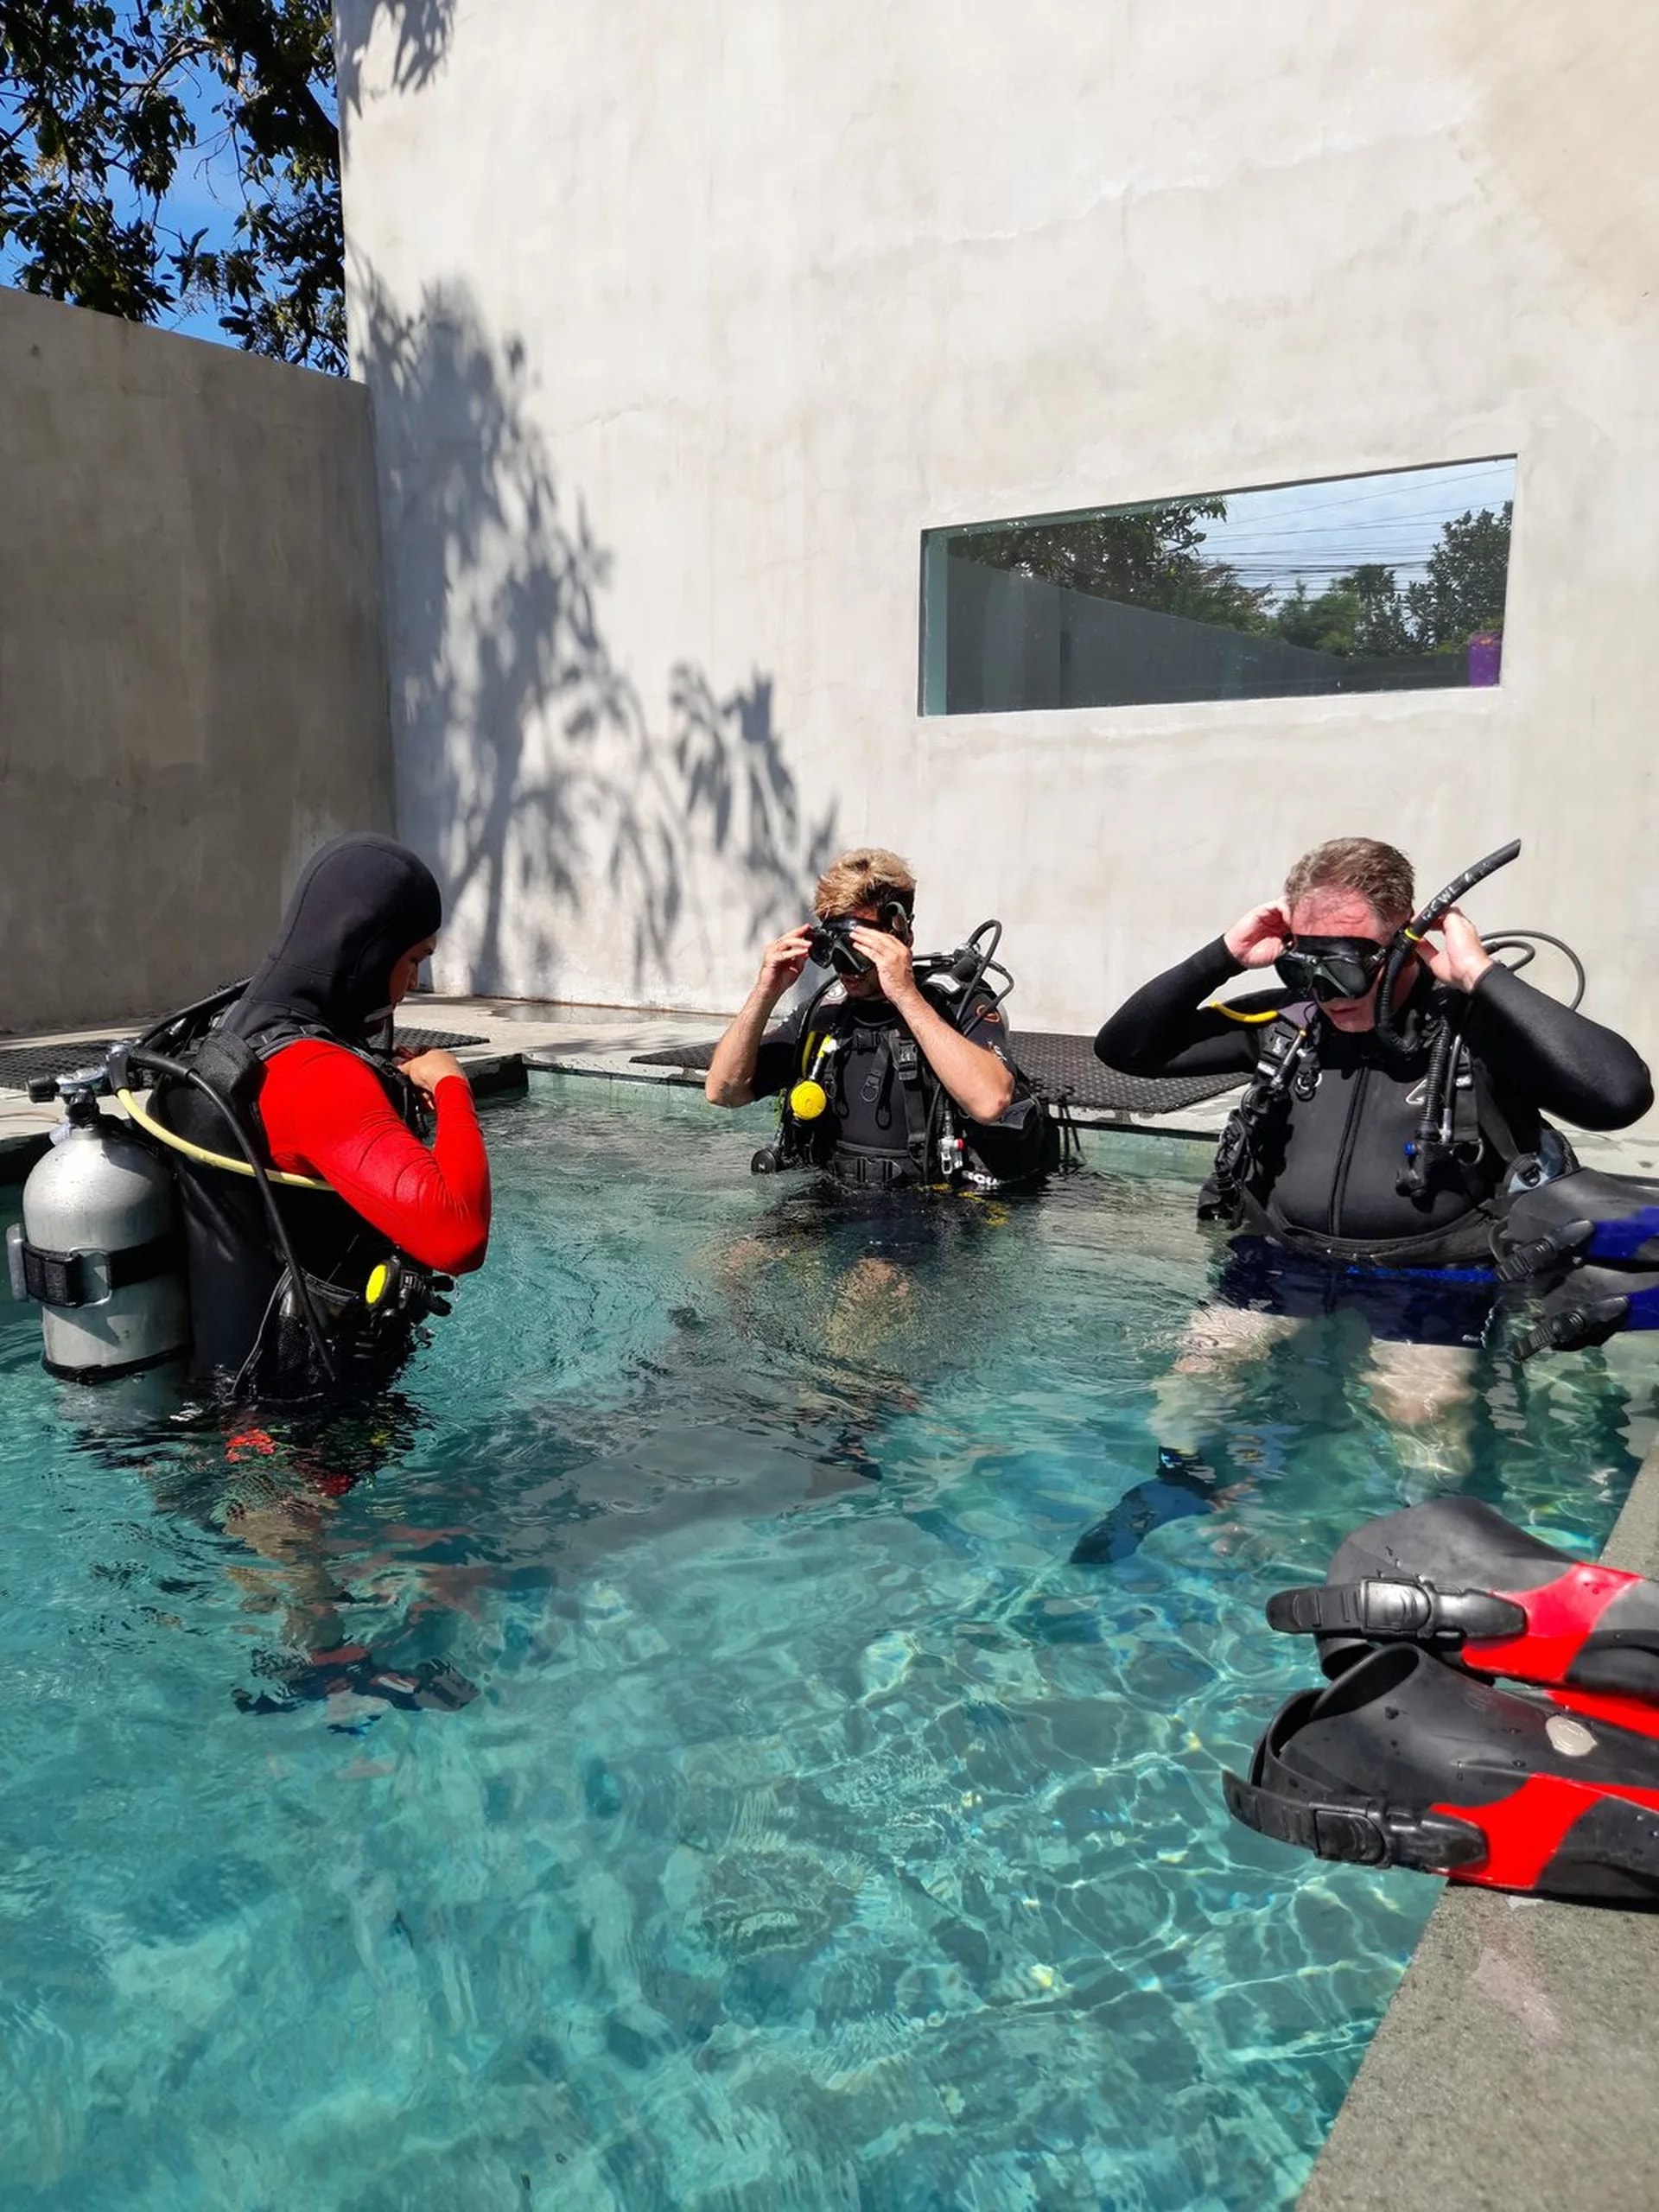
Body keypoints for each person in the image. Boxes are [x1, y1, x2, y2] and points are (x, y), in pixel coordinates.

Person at [1078, 836, 1650, 1552]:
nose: (1332, 988)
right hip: (1285, 1258)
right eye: (1311, 959)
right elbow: (1123, 1051)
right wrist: (1224, 955)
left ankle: (1428, 1549)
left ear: (1411, 939)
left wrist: (1479, 974)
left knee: (1421, 1410)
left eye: (1355, 959)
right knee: (1195, 1376)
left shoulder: (1471, 1028)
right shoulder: (1292, 1022)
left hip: (1429, 1270)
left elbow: (1620, 1093)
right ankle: (1189, 1486)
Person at [153, 831, 492, 1399]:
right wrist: (456, 1089)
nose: (411, 985)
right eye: (412, 960)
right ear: (367, 951)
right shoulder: (315, 1073)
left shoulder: (237, 1035)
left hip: (232, 1394)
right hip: (298, 1440)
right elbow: (458, 1235)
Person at [703, 846, 1055, 1189]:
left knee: (873, 1254)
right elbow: (722, 1091)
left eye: (859, 947)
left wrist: (905, 995)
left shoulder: (955, 1004)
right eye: (834, 944)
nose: (845, 966)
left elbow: (990, 1102)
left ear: (902, 933)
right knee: (736, 1251)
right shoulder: (826, 1012)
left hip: (923, 1211)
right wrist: (765, 991)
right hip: (828, 1201)